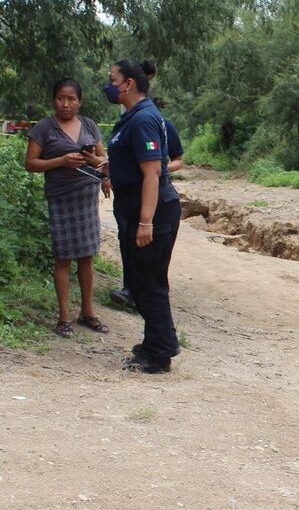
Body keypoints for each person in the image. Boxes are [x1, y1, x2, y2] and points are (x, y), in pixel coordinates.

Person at [105, 60, 182, 373]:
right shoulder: (133, 117)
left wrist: (146, 222)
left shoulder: (143, 119)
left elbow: (152, 174)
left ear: (129, 84)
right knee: (142, 282)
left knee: (149, 283)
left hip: (153, 212)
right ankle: (161, 342)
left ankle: (158, 354)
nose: (109, 85)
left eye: (113, 80)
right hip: (137, 209)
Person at [24, 78, 110, 337]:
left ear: (79, 102)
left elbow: (103, 158)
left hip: (86, 197)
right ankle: (63, 317)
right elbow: (31, 163)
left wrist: (100, 169)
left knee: (87, 256)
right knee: (63, 257)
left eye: (71, 99)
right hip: (61, 198)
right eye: (61, 98)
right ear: (54, 100)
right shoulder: (44, 128)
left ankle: (88, 312)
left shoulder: (89, 125)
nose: (65, 104)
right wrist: (61, 161)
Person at [107, 96, 183, 308]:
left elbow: (174, 160)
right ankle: (130, 288)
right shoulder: (126, 125)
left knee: (149, 254)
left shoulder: (154, 123)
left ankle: (146, 296)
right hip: (127, 199)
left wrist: (159, 169)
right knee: (126, 241)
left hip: (151, 197)